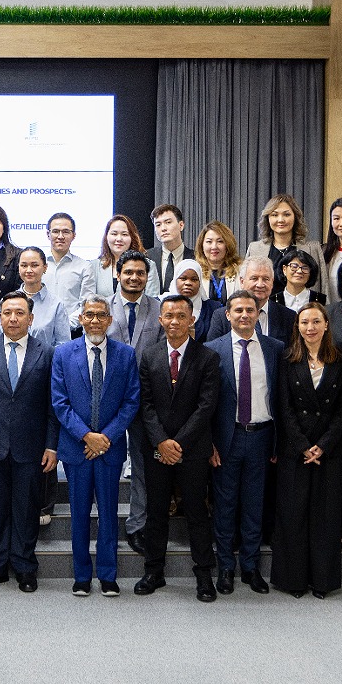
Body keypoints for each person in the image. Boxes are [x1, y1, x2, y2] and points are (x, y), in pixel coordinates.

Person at [0, 291, 57, 593]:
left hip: (31, 445)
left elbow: (53, 404)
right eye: (7, 313)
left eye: (19, 313)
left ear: (31, 319)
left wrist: (52, 445)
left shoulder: (47, 352)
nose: (13, 319)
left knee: (26, 509)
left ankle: (25, 566)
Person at [134, 295, 221, 603]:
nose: (174, 321)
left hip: (192, 449)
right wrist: (161, 441)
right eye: (168, 316)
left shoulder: (207, 357)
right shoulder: (149, 356)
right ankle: (153, 572)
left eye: (181, 316)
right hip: (158, 448)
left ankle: (204, 575)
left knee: (197, 511)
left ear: (191, 319)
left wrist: (178, 443)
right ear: (160, 320)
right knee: (156, 511)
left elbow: (206, 406)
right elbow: (145, 404)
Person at [52, 296, 140, 597]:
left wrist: (105, 437)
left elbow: (131, 401)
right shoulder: (63, 353)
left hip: (109, 449)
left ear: (110, 320)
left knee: (108, 514)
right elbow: (60, 402)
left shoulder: (125, 355)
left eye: (101, 315)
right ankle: (81, 576)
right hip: (77, 449)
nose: (94, 321)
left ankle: (107, 574)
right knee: (78, 515)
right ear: (80, 318)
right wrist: (86, 436)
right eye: (89, 315)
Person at [206, 289, 285, 596]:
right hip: (228, 438)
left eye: (250, 310)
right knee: (225, 506)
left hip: (262, 436)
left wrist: (277, 442)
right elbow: (206, 404)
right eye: (238, 310)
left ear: (257, 314)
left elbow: (281, 398)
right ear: (228, 315)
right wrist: (210, 443)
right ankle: (226, 567)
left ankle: (251, 568)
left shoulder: (275, 348)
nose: (244, 315)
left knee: (254, 505)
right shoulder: (212, 350)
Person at [271, 302, 342, 599]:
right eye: (304, 322)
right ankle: (293, 580)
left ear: (326, 325)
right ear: (298, 326)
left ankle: (322, 581)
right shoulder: (287, 358)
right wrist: (304, 446)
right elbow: (284, 406)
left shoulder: (340, 357)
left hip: (329, 449)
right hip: (296, 449)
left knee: (325, 517)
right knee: (293, 516)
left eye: (316, 321)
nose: (310, 328)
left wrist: (324, 445)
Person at [106, 249, 162, 557]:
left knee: (142, 465)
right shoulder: (102, 308)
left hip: (146, 400)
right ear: (118, 274)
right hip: (108, 400)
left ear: (147, 277)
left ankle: (137, 524)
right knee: (107, 463)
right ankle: (105, 523)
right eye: (128, 272)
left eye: (140, 273)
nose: (134, 277)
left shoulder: (159, 309)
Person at [245, 194, 327, 296]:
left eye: (286, 215)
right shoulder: (255, 249)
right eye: (275, 215)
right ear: (268, 218)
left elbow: (323, 288)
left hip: (305, 306)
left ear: (295, 217)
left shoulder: (312, 249)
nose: (281, 220)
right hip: (265, 306)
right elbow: (246, 287)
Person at [205, 256, 296, 345]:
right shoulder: (221, 317)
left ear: (272, 282)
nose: (260, 284)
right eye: (254, 278)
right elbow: (213, 351)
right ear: (242, 282)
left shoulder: (288, 317)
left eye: (266, 279)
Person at [1, 246, 70, 349]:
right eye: (24, 265)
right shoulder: (7, 302)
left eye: (34, 265)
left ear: (45, 267)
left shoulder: (56, 304)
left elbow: (63, 344)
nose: (29, 270)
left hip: (46, 359)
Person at [86, 214, 161, 301]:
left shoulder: (149, 265)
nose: (119, 239)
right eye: (114, 234)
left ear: (132, 237)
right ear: (106, 237)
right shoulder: (93, 266)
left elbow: (153, 301)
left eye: (124, 234)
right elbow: (88, 301)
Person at [42, 212, 95, 333]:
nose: (60, 236)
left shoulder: (84, 267)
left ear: (73, 235)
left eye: (66, 232)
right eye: (55, 231)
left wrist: (64, 325)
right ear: (48, 234)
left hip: (73, 332)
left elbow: (86, 304)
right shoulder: (37, 265)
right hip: (39, 332)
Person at [167, 259, 222, 342]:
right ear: (175, 280)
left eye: (194, 279)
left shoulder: (213, 308)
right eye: (183, 278)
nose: (188, 283)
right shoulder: (160, 304)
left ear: (200, 283)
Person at [147, 203, 195, 295]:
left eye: (168, 222)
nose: (163, 228)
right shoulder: (147, 257)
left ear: (181, 225)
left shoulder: (196, 258)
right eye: (158, 225)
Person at [194, 221, 242, 304]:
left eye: (220, 241)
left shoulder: (240, 270)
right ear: (202, 245)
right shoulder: (195, 271)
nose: (214, 247)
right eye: (209, 242)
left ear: (228, 245)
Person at [270, 248, 326, 313]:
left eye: (305, 268)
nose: (299, 271)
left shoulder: (321, 299)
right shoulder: (272, 301)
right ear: (284, 269)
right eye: (294, 266)